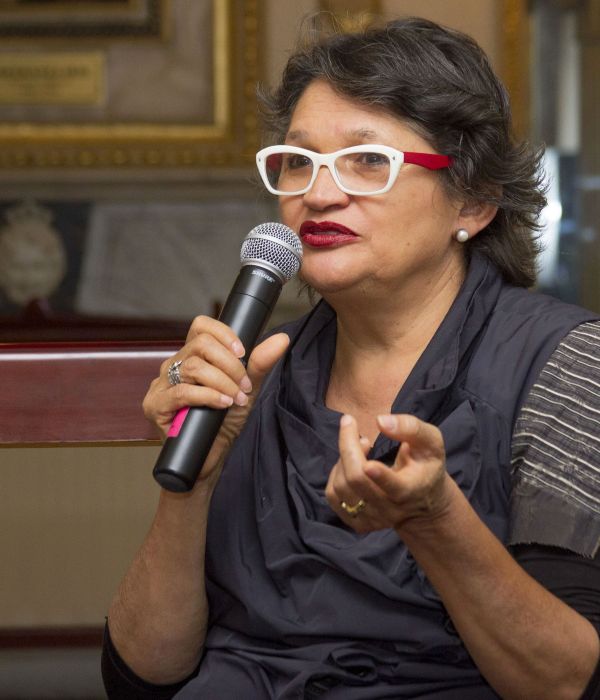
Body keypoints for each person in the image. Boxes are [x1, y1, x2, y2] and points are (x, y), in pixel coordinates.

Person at [101, 16, 600, 699]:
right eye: (298, 161)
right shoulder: (258, 370)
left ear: (474, 202)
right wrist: (192, 484)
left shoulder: (565, 363)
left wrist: (434, 521)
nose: (318, 194)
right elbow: (141, 677)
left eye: (368, 161)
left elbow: (564, 683)